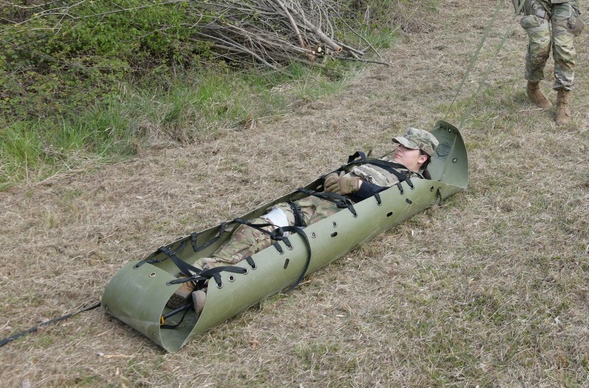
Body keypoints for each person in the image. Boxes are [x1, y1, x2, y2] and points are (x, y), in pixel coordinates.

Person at [168, 127, 439, 312]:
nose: (399, 149)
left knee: (280, 248)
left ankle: (214, 291)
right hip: (313, 203)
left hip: (340, 216)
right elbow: (339, 178)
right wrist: (333, 178)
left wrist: (357, 187)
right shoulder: (379, 163)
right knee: (258, 229)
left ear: (422, 157)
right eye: (400, 144)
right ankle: (198, 274)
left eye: (407, 148)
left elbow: (391, 203)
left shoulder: (413, 183)